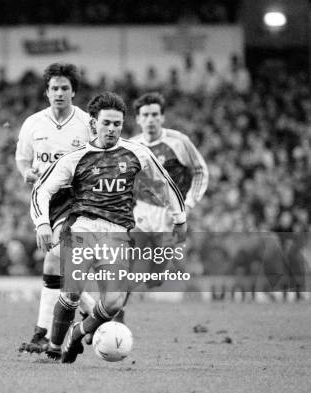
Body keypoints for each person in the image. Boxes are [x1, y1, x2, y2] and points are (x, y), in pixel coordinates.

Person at [31, 92, 187, 363]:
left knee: (114, 302)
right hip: (81, 228)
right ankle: (55, 348)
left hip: (117, 234)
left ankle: (77, 332)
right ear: (93, 124)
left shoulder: (137, 153)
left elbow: (165, 183)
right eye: (107, 123)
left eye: (117, 123)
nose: (112, 129)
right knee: (71, 293)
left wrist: (180, 218)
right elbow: (42, 190)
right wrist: (43, 222)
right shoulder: (75, 158)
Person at [15, 62, 96, 353]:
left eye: (64, 88)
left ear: (73, 92)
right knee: (58, 264)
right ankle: (90, 311)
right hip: (44, 199)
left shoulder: (88, 124)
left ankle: (41, 334)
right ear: (47, 92)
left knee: (54, 257)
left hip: (74, 199)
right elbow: (23, 159)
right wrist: (26, 172)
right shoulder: (33, 124)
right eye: (54, 88)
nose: (59, 93)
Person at [129, 92, 208, 287]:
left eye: (155, 114)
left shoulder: (178, 141)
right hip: (140, 215)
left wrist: (187, 205)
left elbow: (200, 171)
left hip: (169, 217)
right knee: (126, 266)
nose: (150, 120)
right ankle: (115, 314)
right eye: (145, 115)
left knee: (154, 281)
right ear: (138, 119)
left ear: (162, 117)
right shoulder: (131, 146)